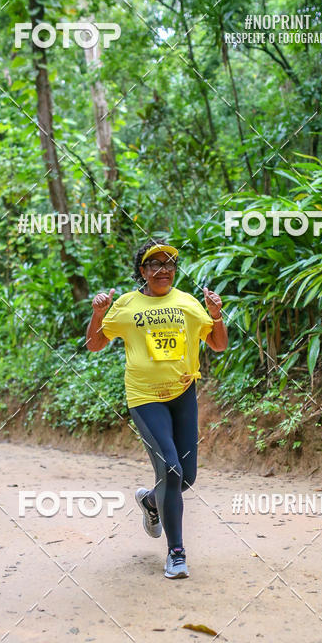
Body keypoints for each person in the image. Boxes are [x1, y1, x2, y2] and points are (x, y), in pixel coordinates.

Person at [86, 241, 228, 578]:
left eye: (169, 264)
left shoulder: (188, 303)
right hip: (145, 397)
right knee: (172, 470)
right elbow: (93, 344)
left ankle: (151, 501)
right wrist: (98, 313)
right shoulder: (126, 305)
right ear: (142, 271)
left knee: (186, 477)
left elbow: (219, 344)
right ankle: (176, 553)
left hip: (182, 393)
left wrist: (217, 315)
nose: (163, 270)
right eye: (154, 264)